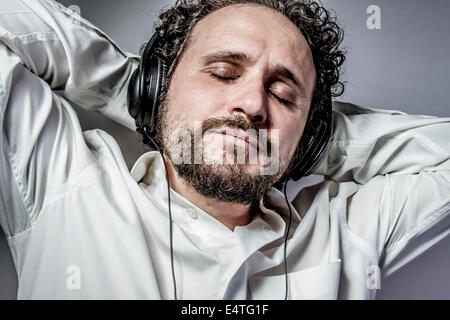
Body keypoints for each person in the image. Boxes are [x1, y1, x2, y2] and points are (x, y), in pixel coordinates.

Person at [0, 0, 448, 300]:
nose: (253, 105)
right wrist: (131, 92)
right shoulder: (62, 182)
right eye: (222, 72)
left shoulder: (349, 229)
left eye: (283, 94)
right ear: (161, 86)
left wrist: (305, 143)